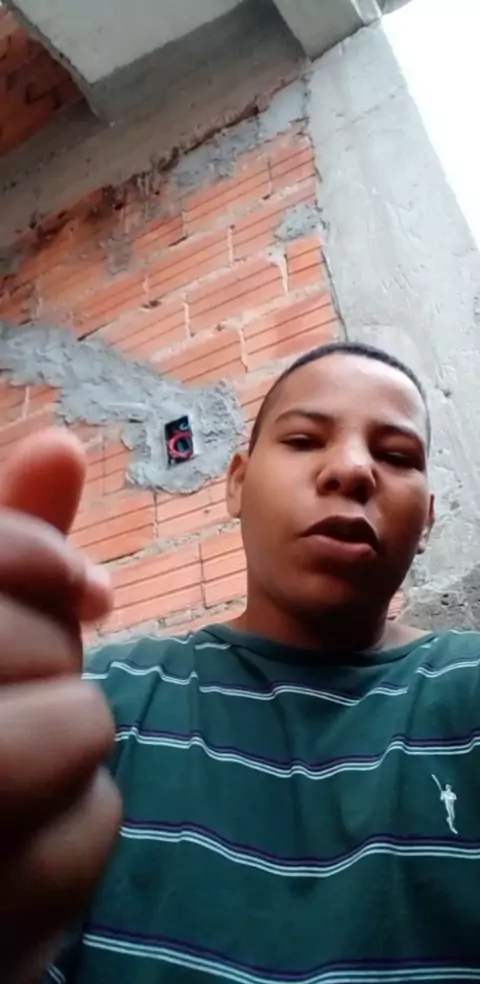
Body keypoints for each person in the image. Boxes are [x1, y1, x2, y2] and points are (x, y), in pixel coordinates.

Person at [3, 340, 480, 984]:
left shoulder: (467, 692)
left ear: (426, 523)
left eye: (395, 455)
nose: (352, 470)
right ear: (236, 483)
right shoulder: (98, 708)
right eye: (304, 440)